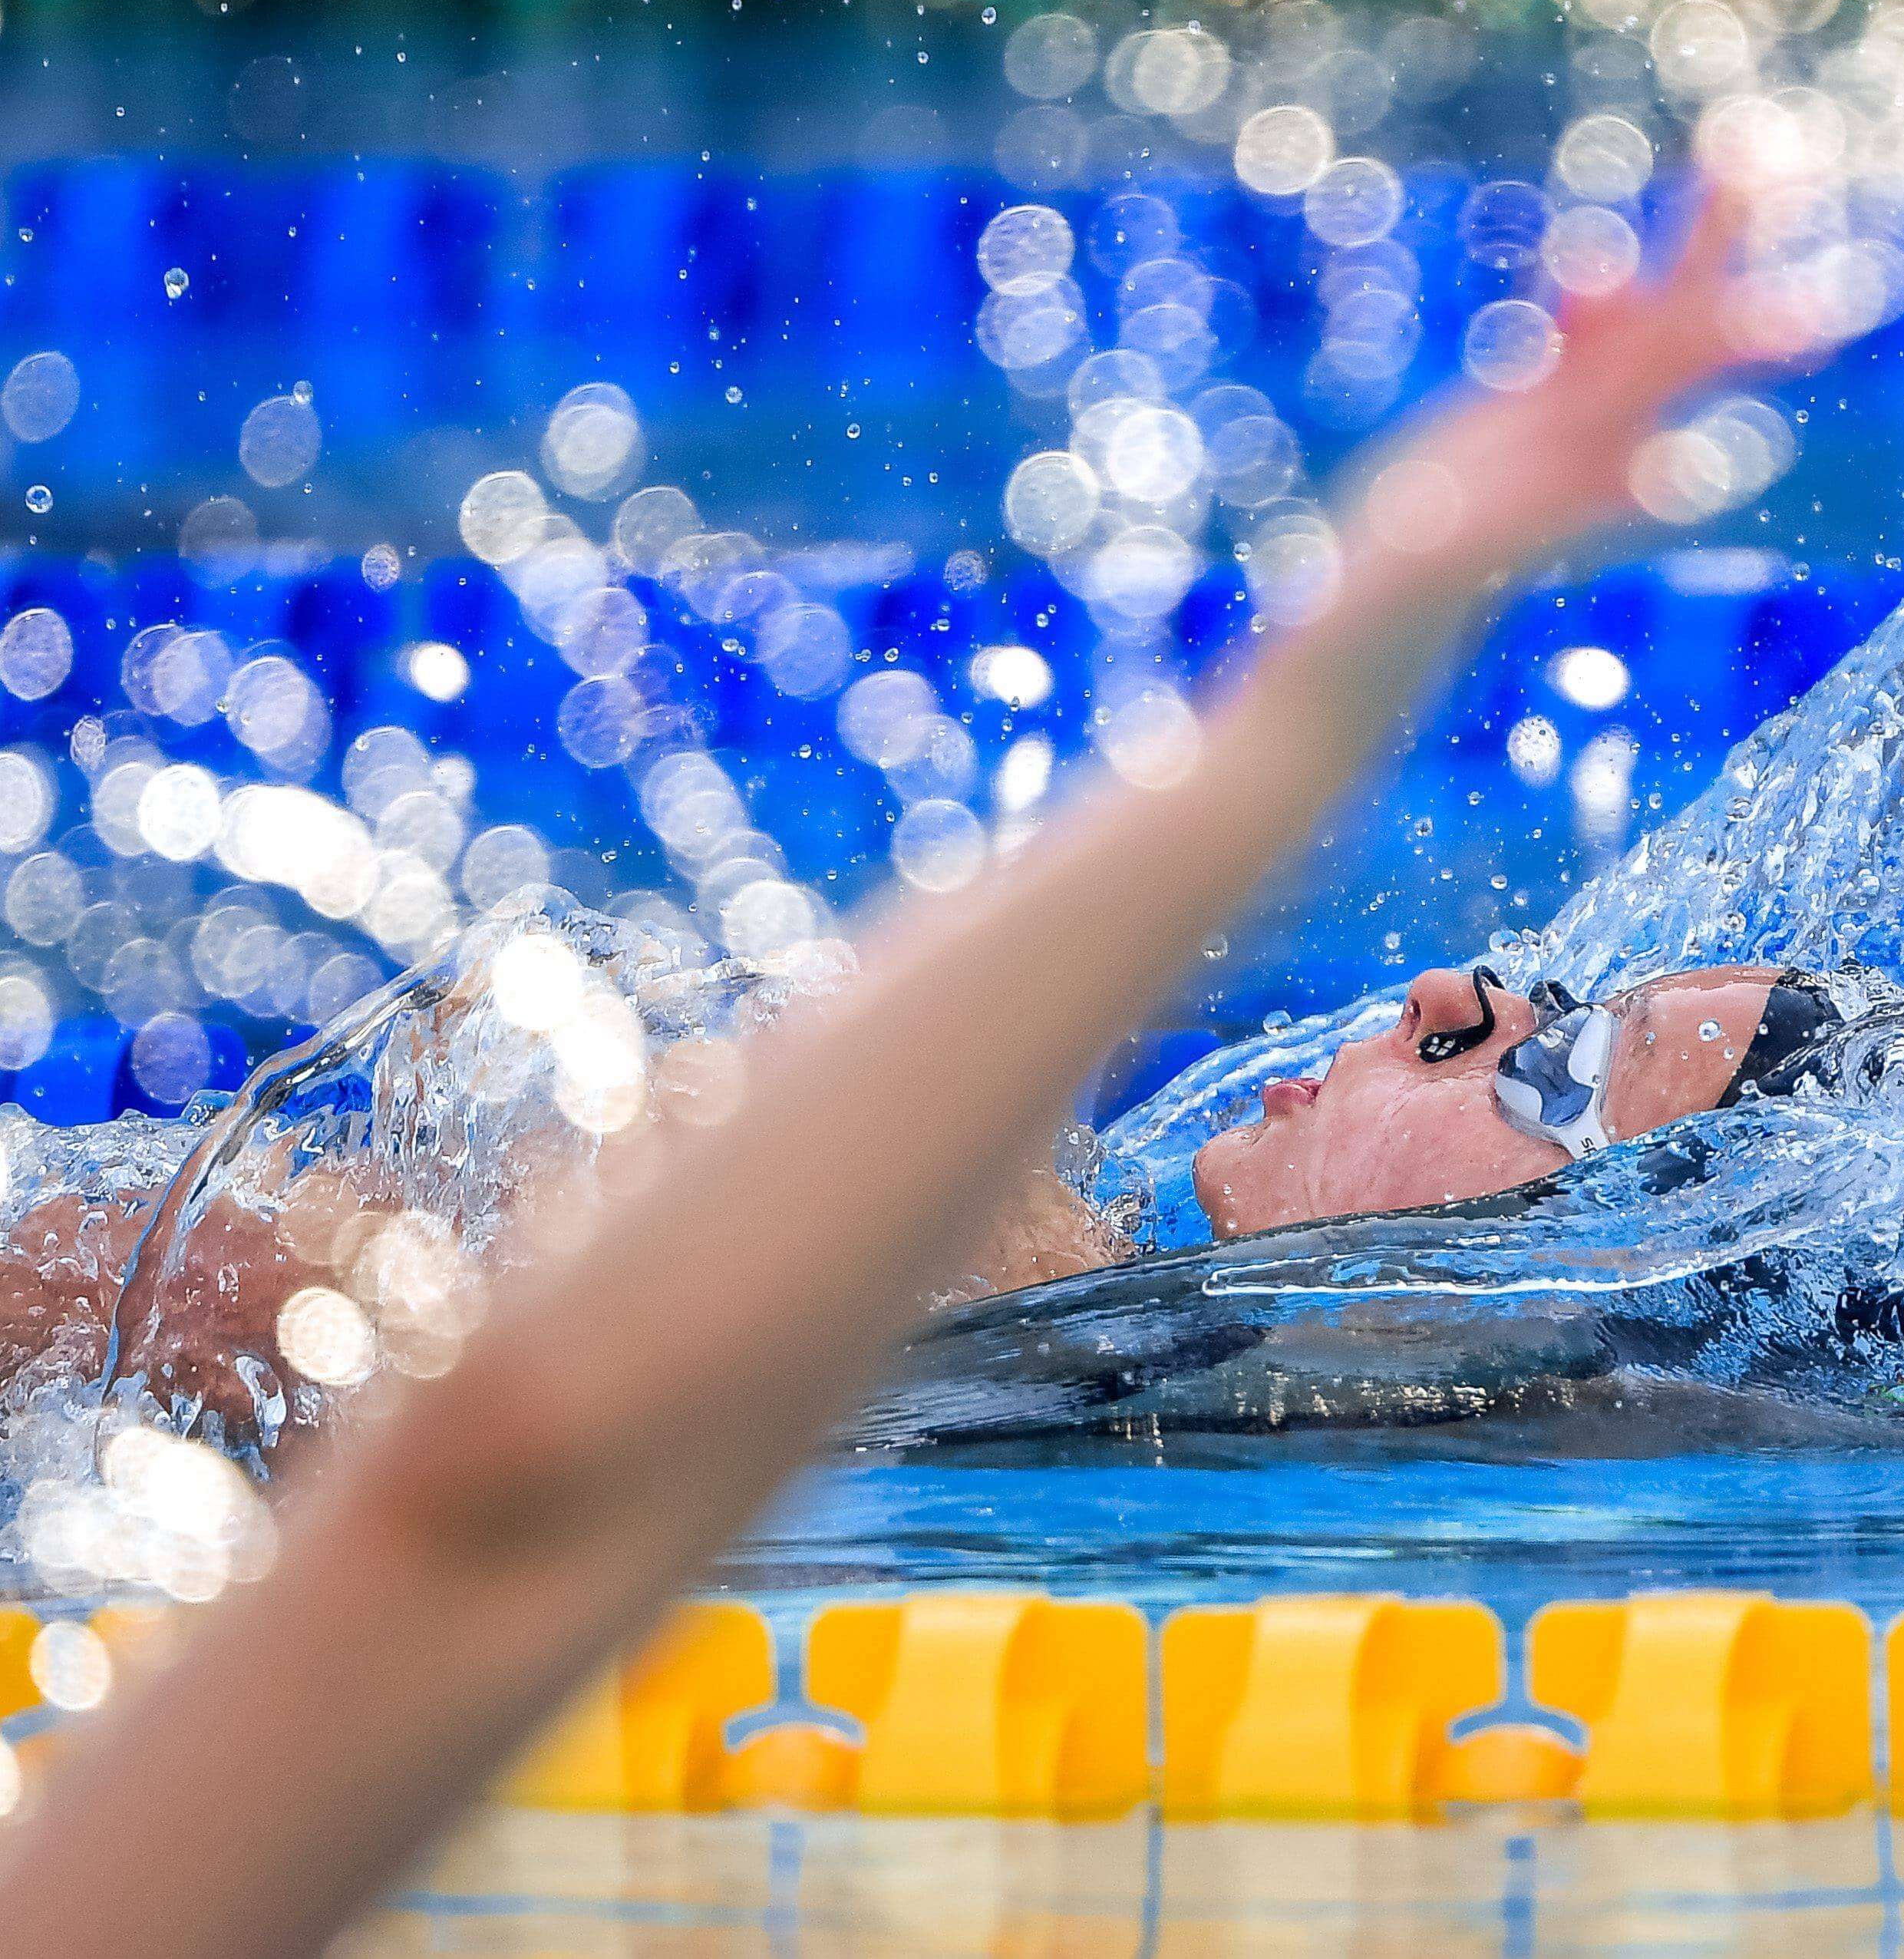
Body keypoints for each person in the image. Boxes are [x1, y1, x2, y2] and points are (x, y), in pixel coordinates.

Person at [0, 180, 1810, 1957]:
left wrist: (1311, 710)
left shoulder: (1020, 1383)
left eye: (1561, 1067)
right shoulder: (1047, 1327)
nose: (1443, 993)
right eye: (1532, 988)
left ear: (1593, 1297)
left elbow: (488, 1465)